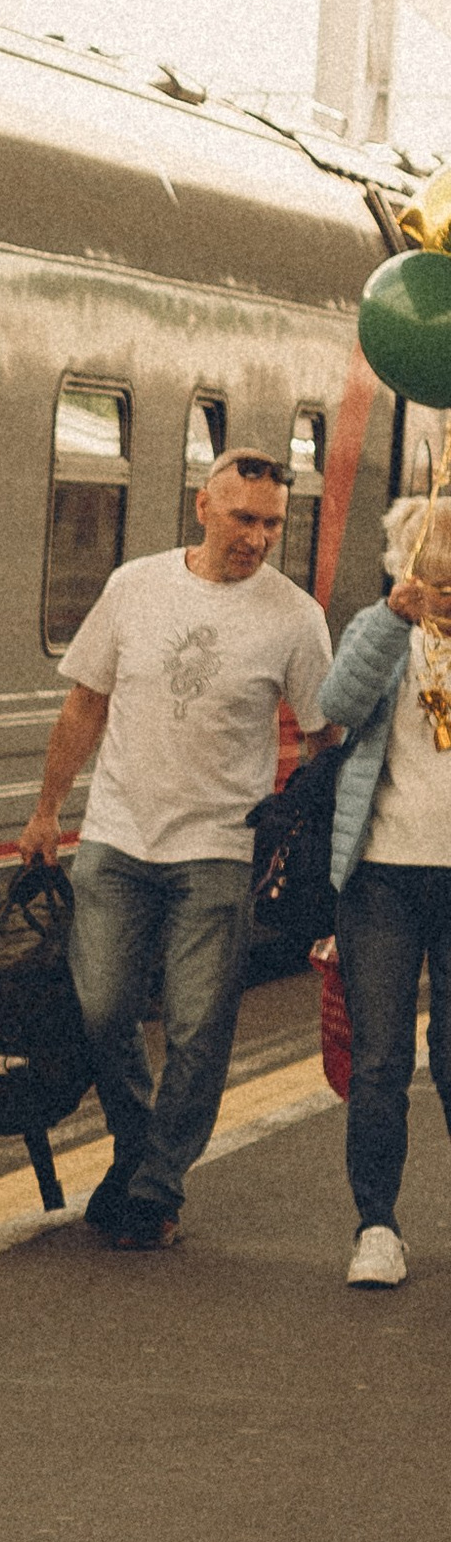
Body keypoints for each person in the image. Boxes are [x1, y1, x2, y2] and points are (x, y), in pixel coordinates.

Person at [21, 446, 335, 1252]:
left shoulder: (295, 617)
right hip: (119, 836)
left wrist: (299, 821)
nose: (258, 538)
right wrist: (47, 809)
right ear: (203, 507)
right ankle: (137, 1149)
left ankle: (155, 1186)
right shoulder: (135, 587)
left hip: (220, 850)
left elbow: (326, 733)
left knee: (199, 1029)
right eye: (244, 519)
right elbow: (85, 703)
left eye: (272, 525)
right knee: (102, 1008)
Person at [316, 486, 451, 1285]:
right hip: (383, 879)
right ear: (404, 573)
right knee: (379, 1062)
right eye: (433, 575)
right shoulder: (384, 632)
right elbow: (335, 704)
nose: (445, 591)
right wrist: (391, 621)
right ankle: (376, 1227)